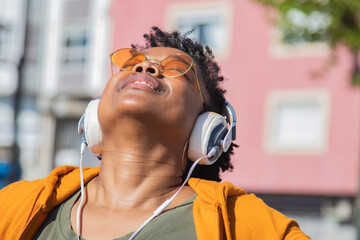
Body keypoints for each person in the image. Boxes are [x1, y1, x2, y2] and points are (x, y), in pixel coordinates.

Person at [0, 26, 311, 240]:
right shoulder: (16, 205)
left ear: (208, 129)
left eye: (177, 69)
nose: (146, 68)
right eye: (132, 63)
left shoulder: (241, 223)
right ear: (93, 115)